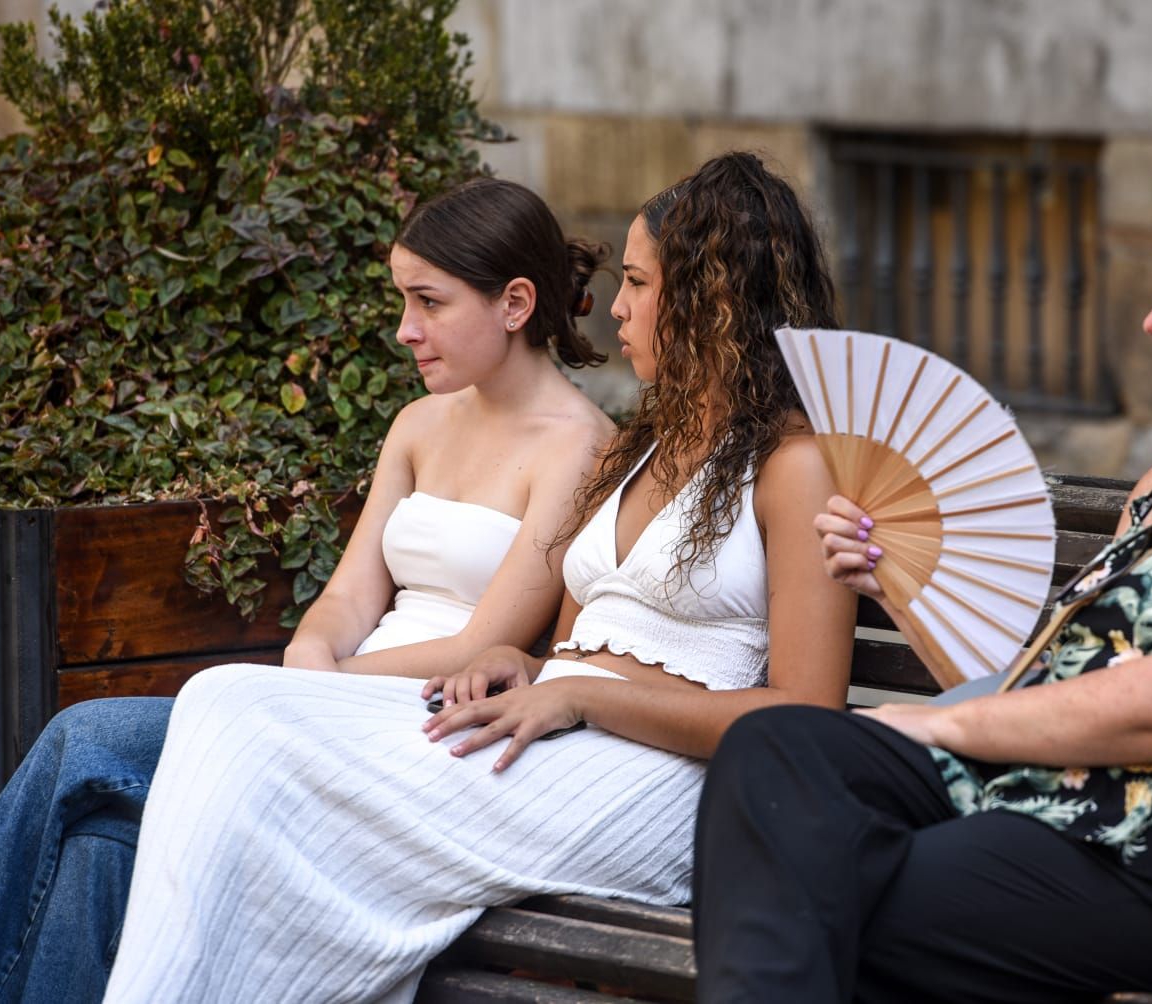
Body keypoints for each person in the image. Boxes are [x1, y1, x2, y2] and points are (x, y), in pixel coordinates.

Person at [99, 151, 857, 1003]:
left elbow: (805, 720)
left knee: (252, 766)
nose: (616, 307)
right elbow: (577, 647)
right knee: (222, 704)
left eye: (640, 284)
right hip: (550, 736)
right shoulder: (642, 448)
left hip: (660, 783)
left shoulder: (793, 467)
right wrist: (528, 669)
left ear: (710, 300)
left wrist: (580, 697)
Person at [693, 169, 1152, 1003]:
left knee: (842, 897)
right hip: (1048, 806)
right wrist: (897, 585)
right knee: (776, 751)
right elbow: (1045, 686)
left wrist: (946, 728)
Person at [0, 176, 614, 1004]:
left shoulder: (583, 448)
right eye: (402, 300)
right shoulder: (419, 423)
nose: (407, 329)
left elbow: (484, 642)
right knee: (101, 850)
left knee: (87, 738)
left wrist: (313, 686)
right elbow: (346, 599)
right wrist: (308, 650)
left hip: (424, 727)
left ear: (515, 303)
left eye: (429, 302)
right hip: (320, 703)